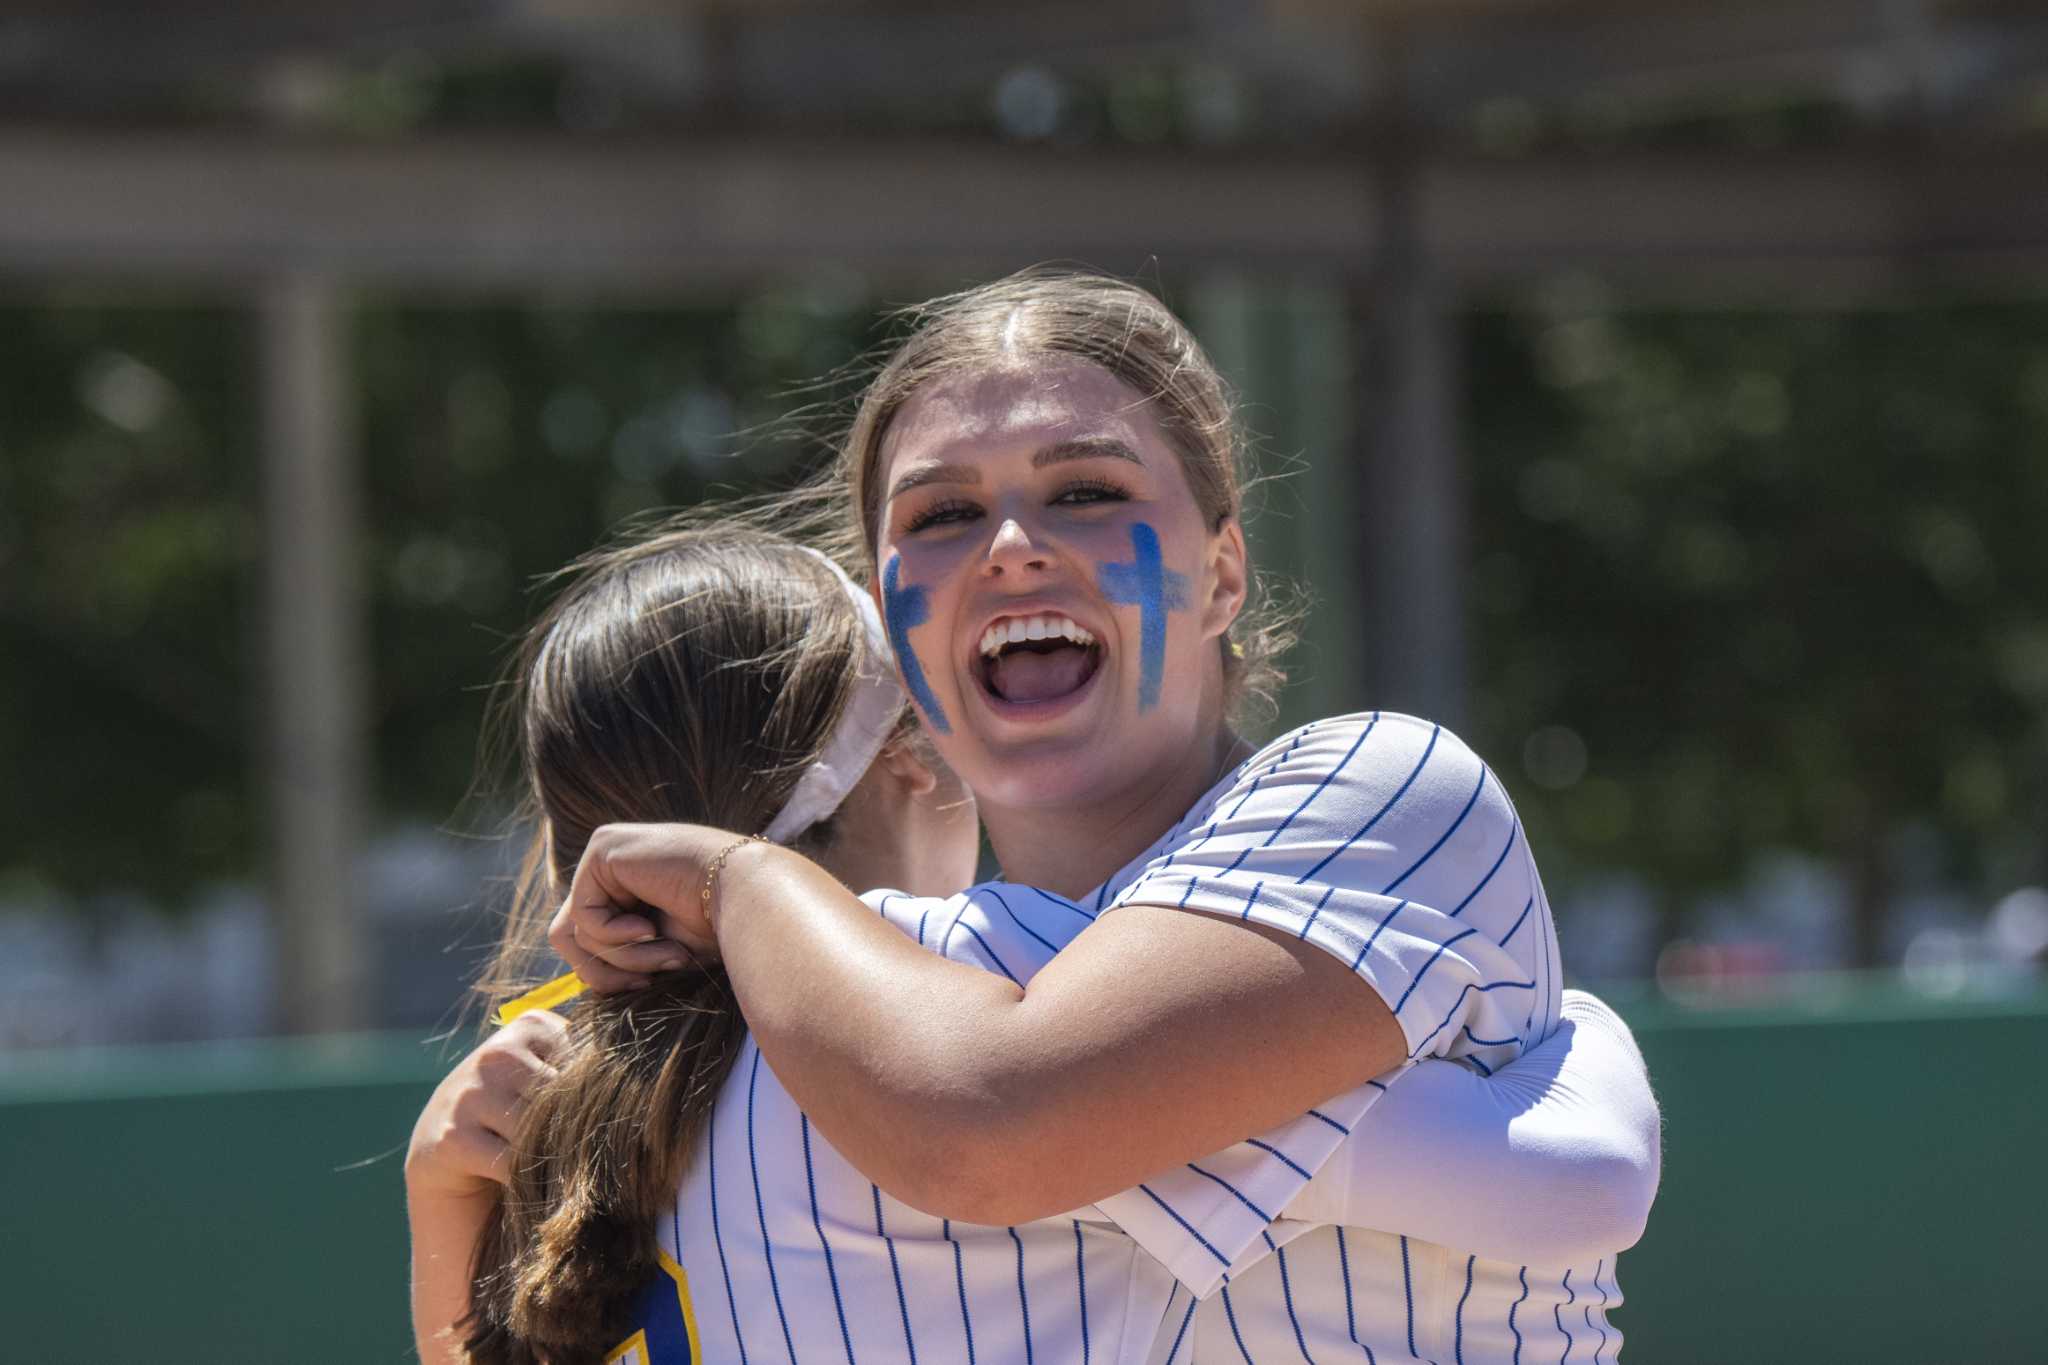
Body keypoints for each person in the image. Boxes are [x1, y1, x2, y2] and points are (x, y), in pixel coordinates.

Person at [546, 271, 1658, 1360]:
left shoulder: (1383, 787)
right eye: (941, 514)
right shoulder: (839, 1001)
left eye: (1086, 490)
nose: (1010, 545)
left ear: (1223, 575)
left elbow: (995, 1100)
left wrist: (740, 890)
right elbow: (994, 1113)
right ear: (891, 617)